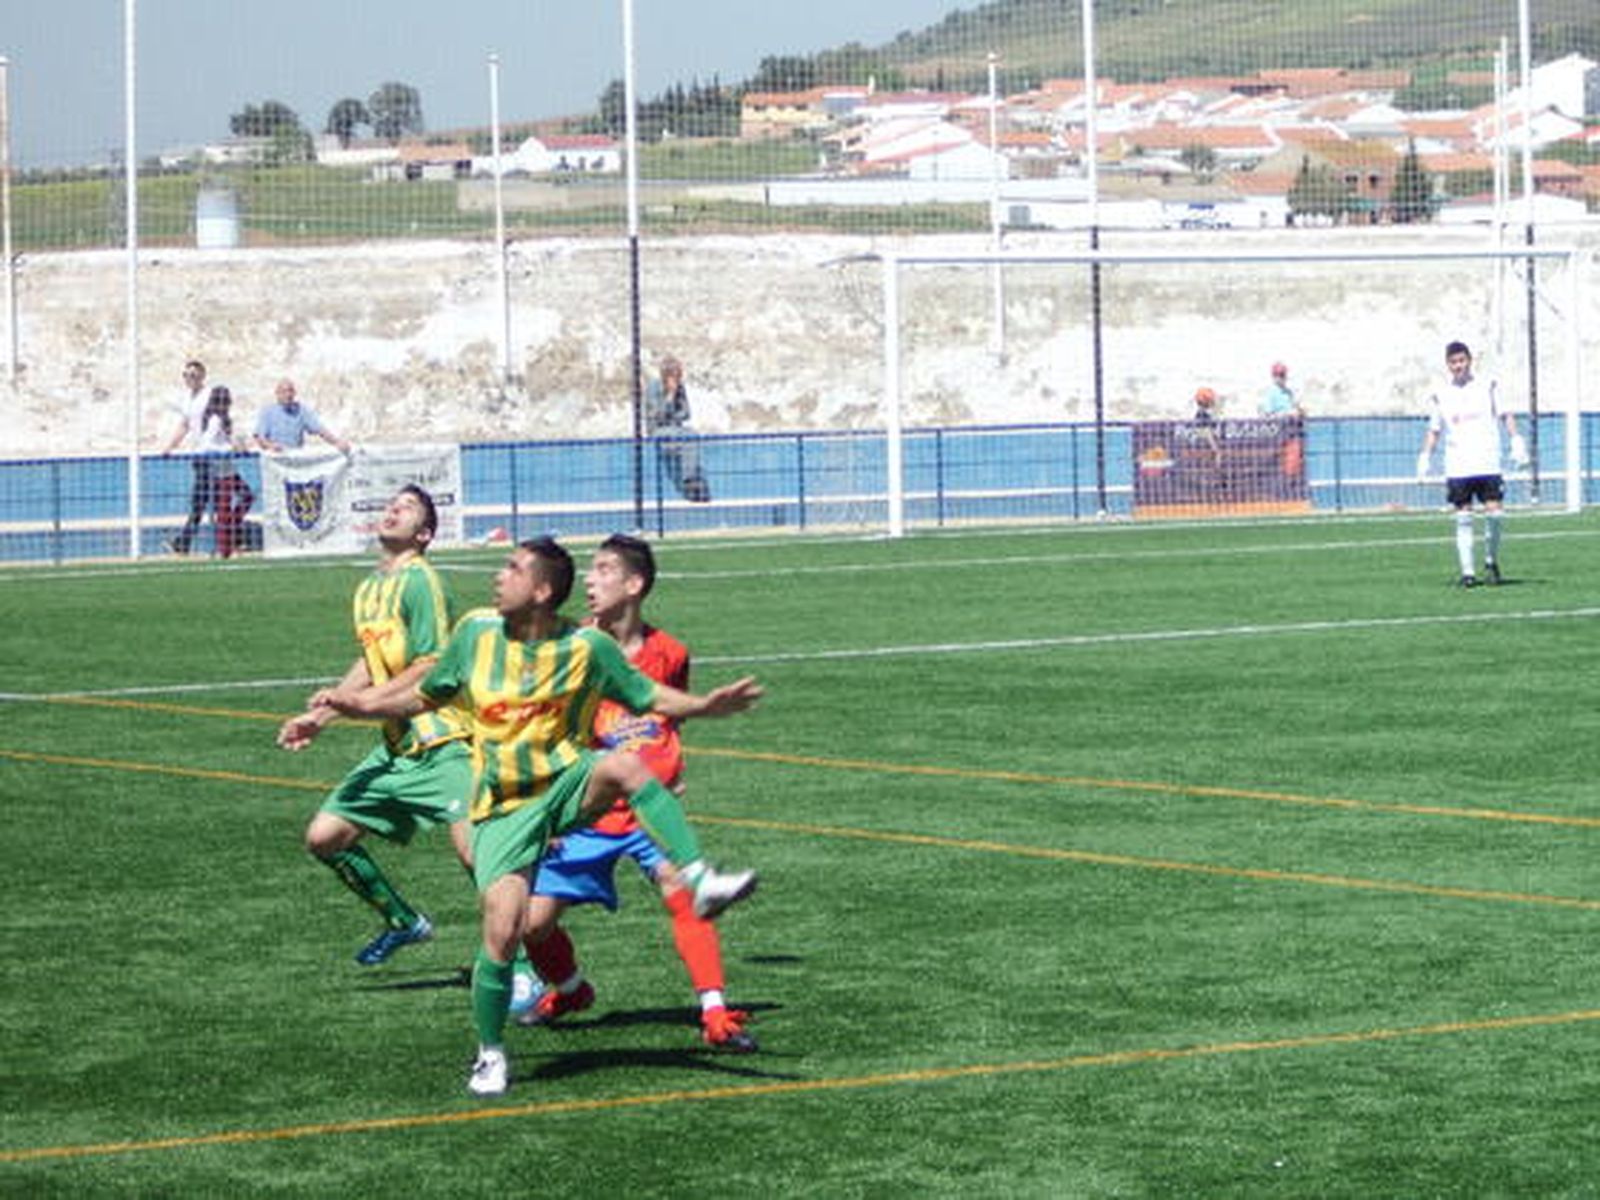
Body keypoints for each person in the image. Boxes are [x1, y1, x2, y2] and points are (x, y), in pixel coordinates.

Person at [312, 536, 761, 1097]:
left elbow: (648, 697)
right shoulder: (476, 632)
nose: (498, 577)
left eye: (512, 568)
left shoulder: (584, 646)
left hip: (567, 783)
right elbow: (426, 695)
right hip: (506, 806)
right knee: (503, 933)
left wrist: (703, 707)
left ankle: (700, 882)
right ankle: (491, 1052)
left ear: (543, 590)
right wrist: (356, 706)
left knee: (624, 766)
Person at [516, 533, 756, 1053]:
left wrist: (671, 767)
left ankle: (715, 1012)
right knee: (532, 926)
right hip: (589, 809)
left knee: (685, 894)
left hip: (646, 810)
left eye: (603, 569)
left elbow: (664, 714)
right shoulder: (573, 648)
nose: (590, 580)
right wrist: (547, 808)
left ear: (634, 584)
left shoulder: (671, 652)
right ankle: (572, 990)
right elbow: (543, 729)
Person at [276, 485, 476, 966]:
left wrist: (360, 704)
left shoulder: (421, 581)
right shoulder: (368, 589)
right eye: (391, 504)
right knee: (325, 838)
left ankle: (528, 971)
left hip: (447, 739)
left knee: (478, 858)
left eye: (406, 508)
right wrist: (321, 716)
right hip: (397, 744)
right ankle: (403, 921)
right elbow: (370, 662)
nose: (392, 510)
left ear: (424, 533)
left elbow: (430, 663)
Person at [1415, 340, 1527, 588]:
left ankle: (1490, 561)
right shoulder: (1440, 394)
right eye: (1453, 362)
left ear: (1469, 360)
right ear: (1448, 365)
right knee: (1463, 517)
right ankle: (1468, 573)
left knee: (1495, 515)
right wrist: (1424, 457)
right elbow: (1434, 430)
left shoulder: (1488, 386)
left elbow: (1505, 414)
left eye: (1462, 360)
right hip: (1458, 465)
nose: (1458, 366)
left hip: (1487, 461)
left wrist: (1516, 439)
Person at [160, 359, 216, 554]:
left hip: (214, 454)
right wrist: (169, 446)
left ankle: (230, 539)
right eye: (186, 375)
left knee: (220, 497)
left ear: (202, 376)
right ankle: (184, 542)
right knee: (200, 500)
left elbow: (222, 420)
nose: (189, 379)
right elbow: (185, 425)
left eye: (193, 375)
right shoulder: (187, 399)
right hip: (199, 456)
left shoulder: (210, 395)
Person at [196, 385, 254, 559]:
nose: (224, 405)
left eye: (226, 401)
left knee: (247, 496)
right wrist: (229, 447)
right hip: (219, 471)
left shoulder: (224, 419)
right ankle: (225, 550)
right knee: (223, 511)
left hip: (229, 469)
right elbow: (206, 444)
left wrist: (238, 444)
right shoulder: (214, 420)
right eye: (220, 401)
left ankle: (232, 529)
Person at [644, 356, 710, 502]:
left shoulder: (681, 388)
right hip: (658, 430)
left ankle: (690, 478)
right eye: (676, 375)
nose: (679, 379)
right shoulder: (652, 388)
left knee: (692, 434)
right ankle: (688, 480)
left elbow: (686, 413)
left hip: (676, 428)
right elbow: (657, 416)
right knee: (684, 437)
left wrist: (675, 414)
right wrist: (670, 396)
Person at [254, 378, 352, 454]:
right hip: (275, 461)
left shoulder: (301, 410)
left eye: (290, 391)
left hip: (295, 459)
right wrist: (271, 446)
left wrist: (337, 442)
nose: (288, 395)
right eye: (284, 391)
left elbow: (320, 429)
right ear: (277, 394)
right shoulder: (267, 412)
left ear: (295, 393)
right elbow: (259, 438)